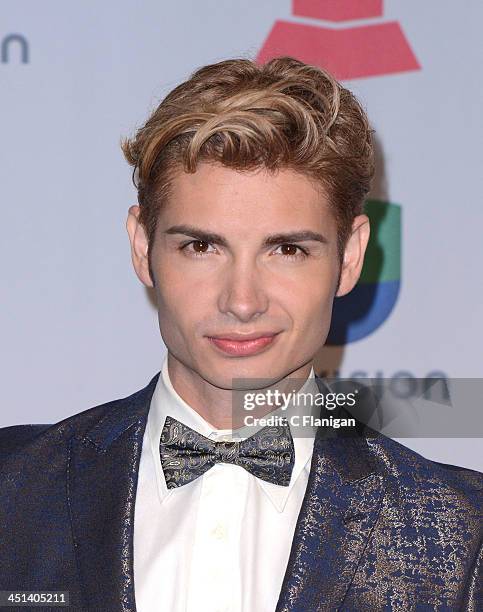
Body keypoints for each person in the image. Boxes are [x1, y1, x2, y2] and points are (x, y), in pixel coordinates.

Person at [0, 56, 481, 612]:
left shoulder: (463, 534)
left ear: (350, 256)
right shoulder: (13, 489)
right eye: (201, 247)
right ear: (141, 246)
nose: (242, 301)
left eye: (288, 250)